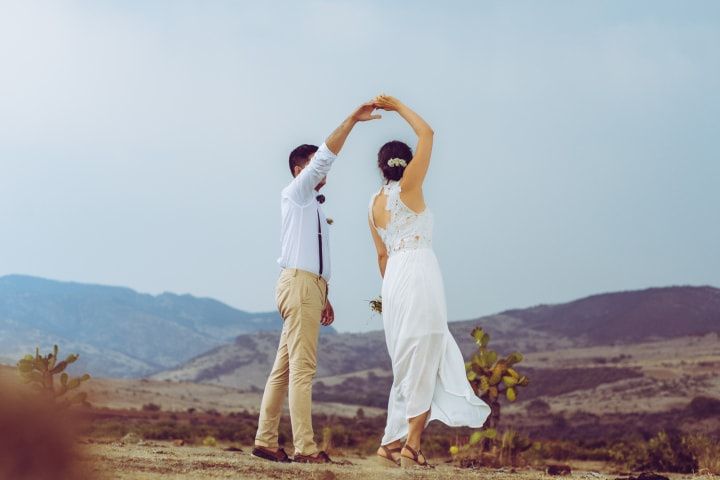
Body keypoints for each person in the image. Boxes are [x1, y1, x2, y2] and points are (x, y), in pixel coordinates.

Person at [252, 101, 381, 464]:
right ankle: (305, 448)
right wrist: (354, 120)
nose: (321, 169)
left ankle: (265, 440)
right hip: (299, 286)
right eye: (311, 164)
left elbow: (313, 255)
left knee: (284, 368)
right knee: (303, 369)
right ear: (299, 169)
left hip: (306, 287)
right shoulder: (296, 193)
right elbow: (326, 156)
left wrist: (324, 293)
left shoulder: (312, 204)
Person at [368, 95, 491, 468]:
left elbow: (381, 257)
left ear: (380, 168)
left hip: (394, 281)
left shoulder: (372, 204)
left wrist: (392, 292)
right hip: (419, 271)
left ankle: (394, 442)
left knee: (410, 359)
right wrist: (397, 105)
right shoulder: (410, 189)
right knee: (426, 352)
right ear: (408, 166)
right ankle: (411, 445)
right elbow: (428, 133)